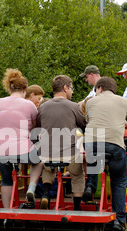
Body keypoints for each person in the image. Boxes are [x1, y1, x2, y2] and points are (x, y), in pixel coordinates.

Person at [83, 77, 127, 231]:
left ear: (99, 89)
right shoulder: (123, 102)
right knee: (119, 181)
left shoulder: (91, 102)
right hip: (115, 145)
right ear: (114, 90)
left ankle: (90, 186)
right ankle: (119, 221)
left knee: (94, 156)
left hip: (92, 144)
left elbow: (88, 120)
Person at [0, 69, 44, 208]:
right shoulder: (29, 105)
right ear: (25, 89)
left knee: (6, 180)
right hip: (21, 149)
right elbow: (34, 127)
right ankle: (31, 188)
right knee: (39, 161)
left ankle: (7, 212)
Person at [36, 75, 86, 210]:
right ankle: (77, 207)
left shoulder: (43, 107)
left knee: (47, 169)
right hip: (68, 154)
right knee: (78, 175)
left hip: (47, 152)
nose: (72, 92)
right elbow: (83, 125)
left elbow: (38, 126)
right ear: (65, 88)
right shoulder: (73, 106)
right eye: (71, 88)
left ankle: (45, 194)